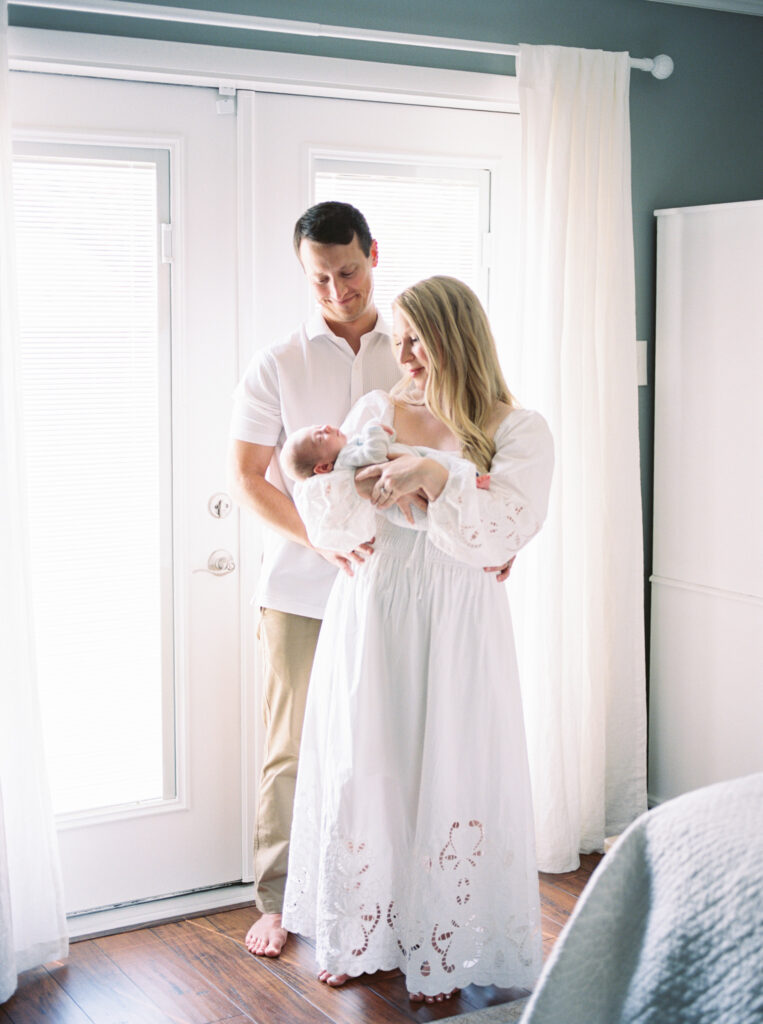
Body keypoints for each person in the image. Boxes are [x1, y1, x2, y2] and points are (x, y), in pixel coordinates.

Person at [281, 276, 555, 1003]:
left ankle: (443, 944)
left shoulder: (518, 428)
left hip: (458, 617)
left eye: (415, 340)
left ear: (456, 337)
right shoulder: (378, 410)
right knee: (369, 761)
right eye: (398, 339)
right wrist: (356, 481)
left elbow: (507, 527)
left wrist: (437, 476)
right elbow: (333, 516)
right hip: (375, 605)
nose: (402, 354)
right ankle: (362, 931)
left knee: (448, 761)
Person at [227, 201, 402, 958]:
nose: (337, 290)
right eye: (320, 278)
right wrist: (322, 542)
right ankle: (276, 899)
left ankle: (389, 892)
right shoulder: (277, 363)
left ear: (373, 254)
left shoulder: (414, 349)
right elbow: (245, 477)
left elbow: (461, 448)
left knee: (394, 741)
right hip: (300, 590)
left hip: (397, 587)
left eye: (348, 271)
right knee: (291, 748)